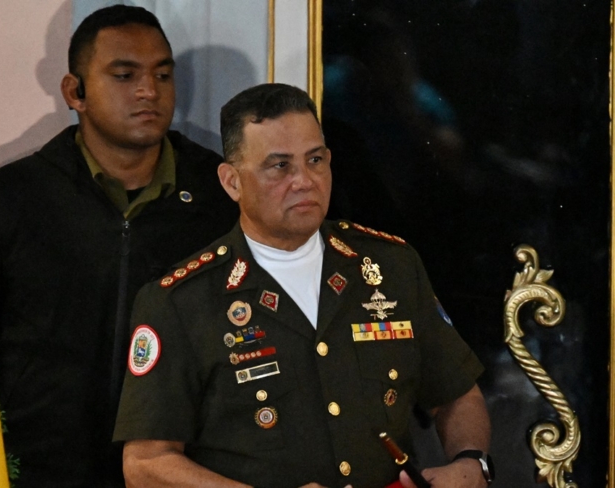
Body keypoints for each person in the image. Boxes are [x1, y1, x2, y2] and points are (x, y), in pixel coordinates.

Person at [113, 83, 492, 488]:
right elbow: (146, 463)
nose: (305, 181)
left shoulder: (389, 267)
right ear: (232, 182)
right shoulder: (180, 301)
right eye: (280, 166)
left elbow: (455, 393)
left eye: (315, 160)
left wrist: (472, 462)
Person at [0, 5, 238, 486]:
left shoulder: (222, 198)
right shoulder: (8, 200)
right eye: (124, 75)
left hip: (182, 472)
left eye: (162, 75)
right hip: (38, 472)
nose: (148, 91)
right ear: (75, 92)